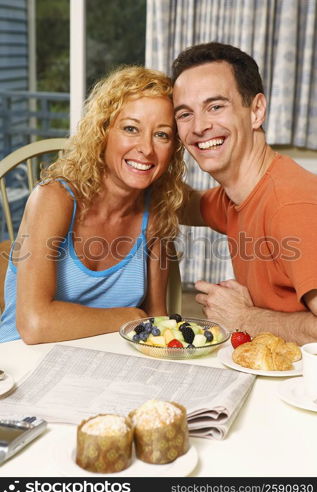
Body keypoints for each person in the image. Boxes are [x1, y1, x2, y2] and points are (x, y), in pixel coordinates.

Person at [0, 66, 186, 344]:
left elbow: (157, 320)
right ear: (103, 132)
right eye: (131, 129)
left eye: (162, 135)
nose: (146, 148)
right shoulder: (54, 198)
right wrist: (129, 317)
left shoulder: (156, 214)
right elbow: (34, 324)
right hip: (21, 364)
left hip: (100, 365)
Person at [172, 41, 317, 345]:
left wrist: (245, 318)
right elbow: (181, 205)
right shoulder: (234, 198)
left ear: (256, 111)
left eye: (215, 106)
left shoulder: (290, 205)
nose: (199, 127)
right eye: (185, 114)